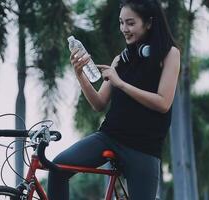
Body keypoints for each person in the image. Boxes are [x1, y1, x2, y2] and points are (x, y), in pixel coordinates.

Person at [47, 0, 180, 199]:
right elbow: (99, 103)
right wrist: (80, 75)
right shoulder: (121, 59)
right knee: (57, 168)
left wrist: (121, 84)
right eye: (121, 22)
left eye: (130, 23)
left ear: (149, 23)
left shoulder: (170, 54)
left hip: (144, 148)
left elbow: (163, 103)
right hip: (109, 137)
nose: (124, 29)